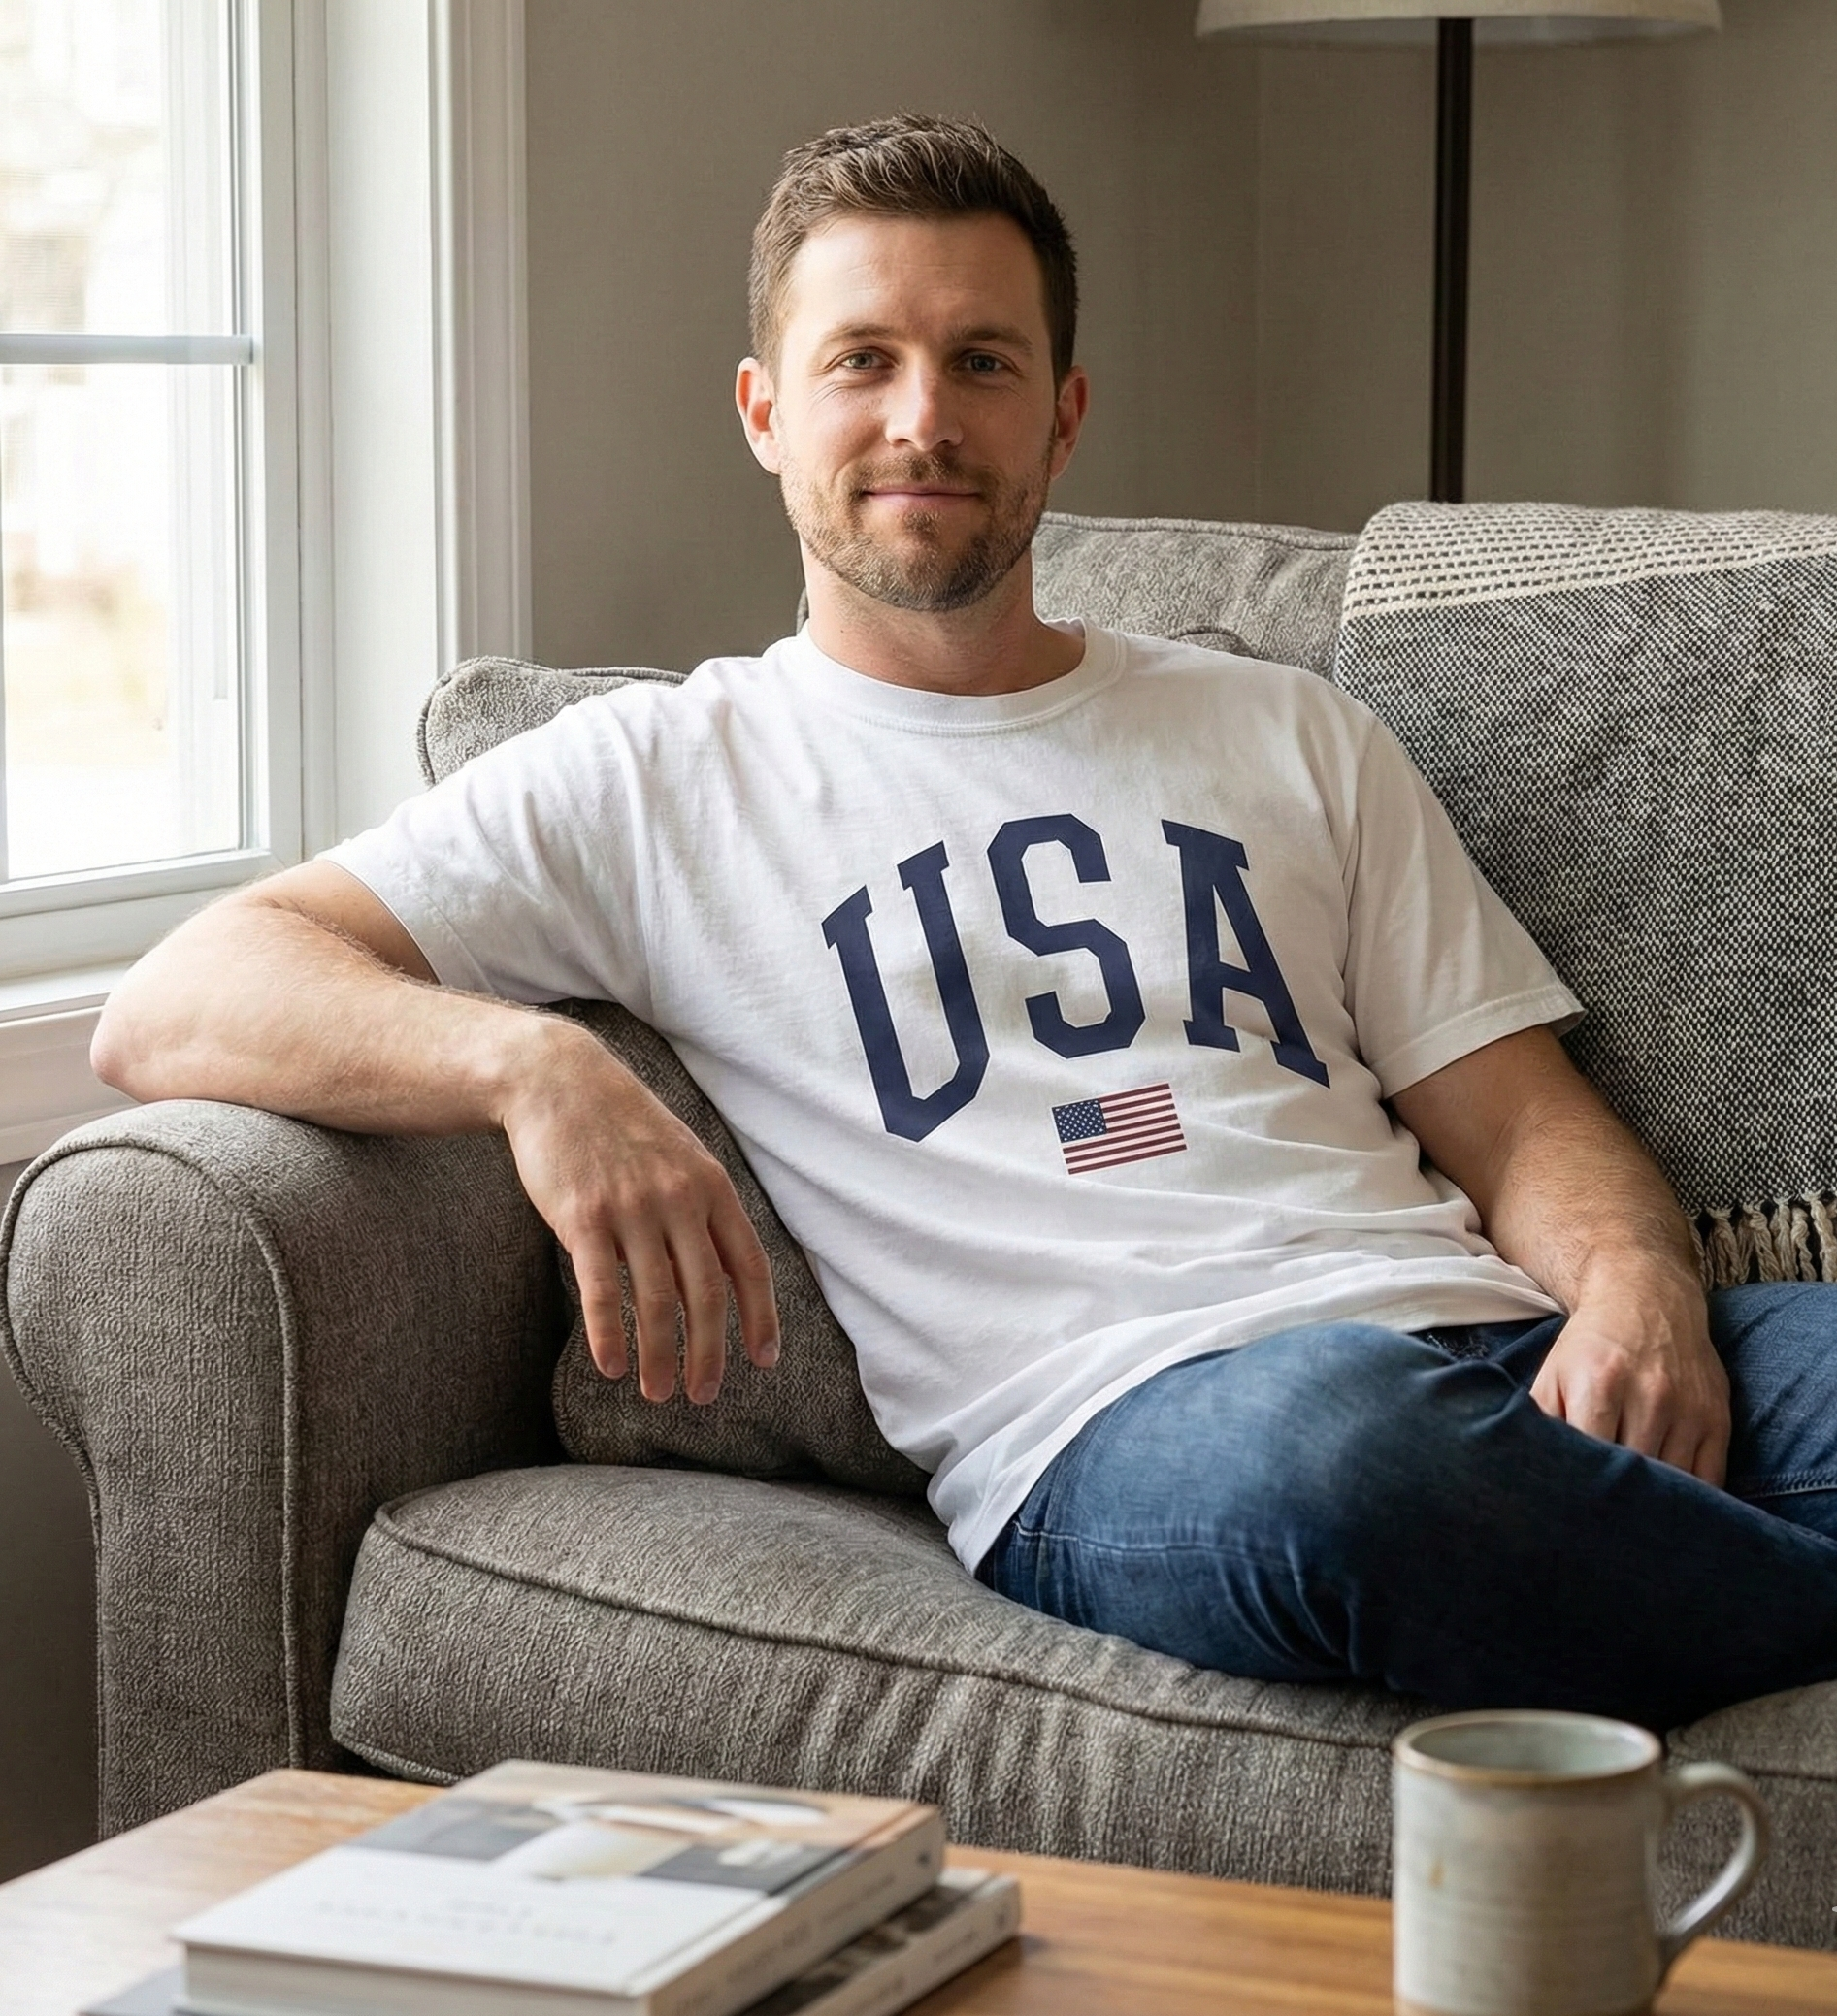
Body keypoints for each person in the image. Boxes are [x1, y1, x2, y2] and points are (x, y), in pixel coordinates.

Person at [93, 115, 1837, 1734]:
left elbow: (1523, 1115)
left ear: (1062, 413)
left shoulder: (1283, 728)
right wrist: (526, 1064)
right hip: (1143, 1433)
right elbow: (176, 997)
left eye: (981, 362)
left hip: (1484, 1343)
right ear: (768, 411)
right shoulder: (656, 776)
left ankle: (1603, 1580)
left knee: (1451, 1435)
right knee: (1346, 1467)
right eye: (864, 359)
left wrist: (1634, 1293)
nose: (923, 415)